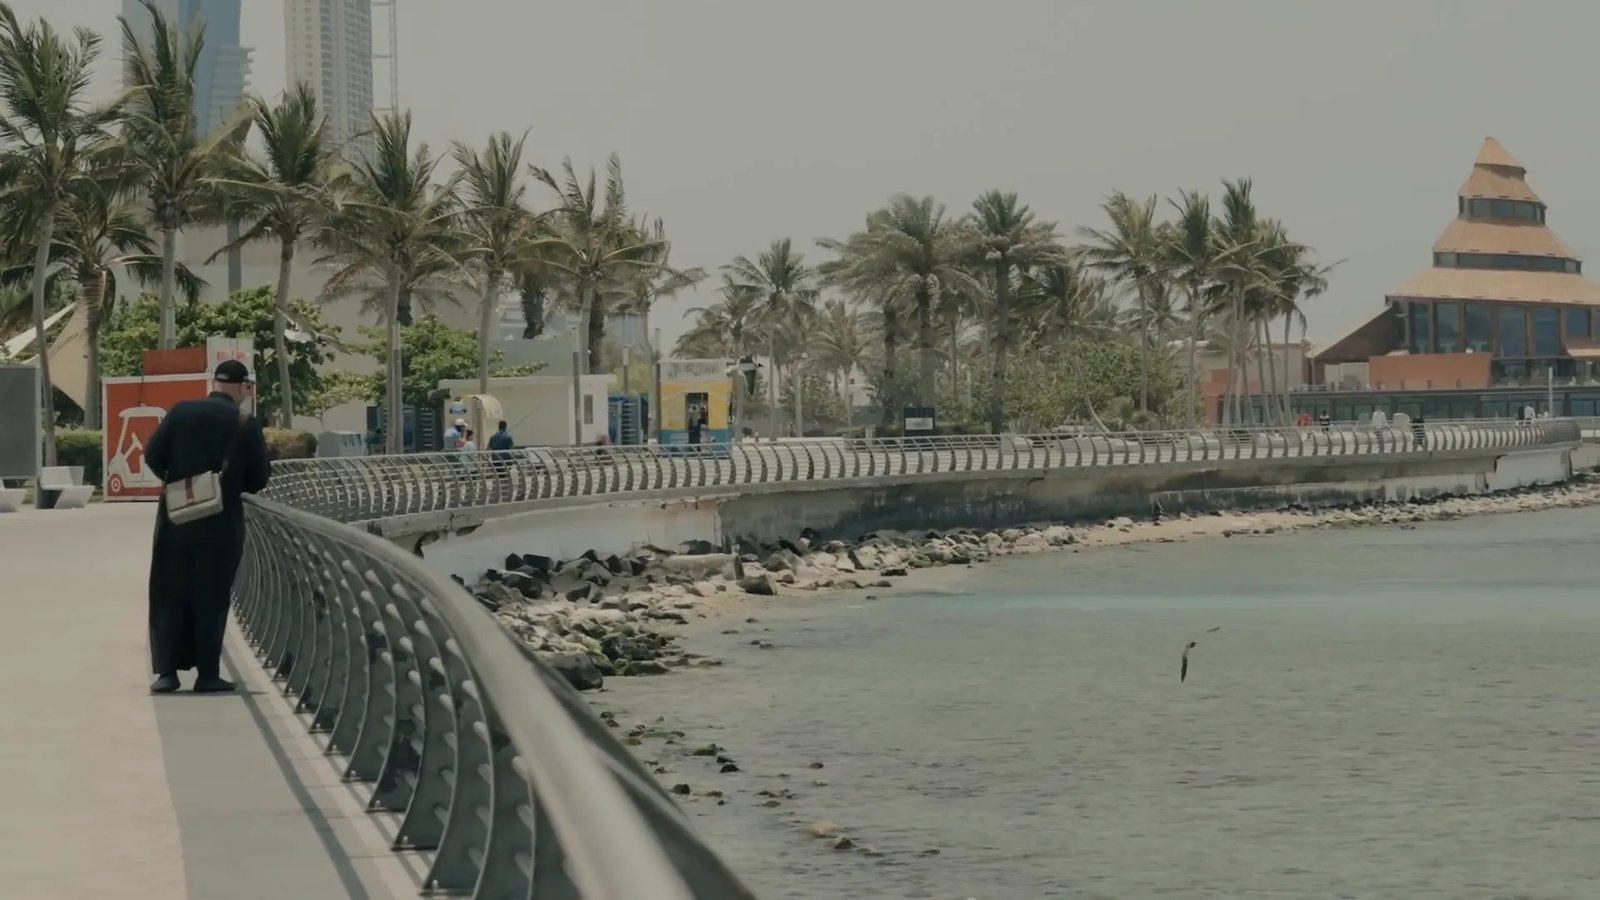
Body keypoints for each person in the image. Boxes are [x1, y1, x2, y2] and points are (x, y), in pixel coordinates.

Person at [145, 360, 271, 694]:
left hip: (176, 520)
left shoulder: (181, 411)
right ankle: (208, 675)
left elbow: (153, 454)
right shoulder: (245, 422)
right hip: (221, 524)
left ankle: (167, 673)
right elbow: (259, 479)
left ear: (213, 382)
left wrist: (180, 484)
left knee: (168, 592)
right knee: (211, 597)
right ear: (244, 387)